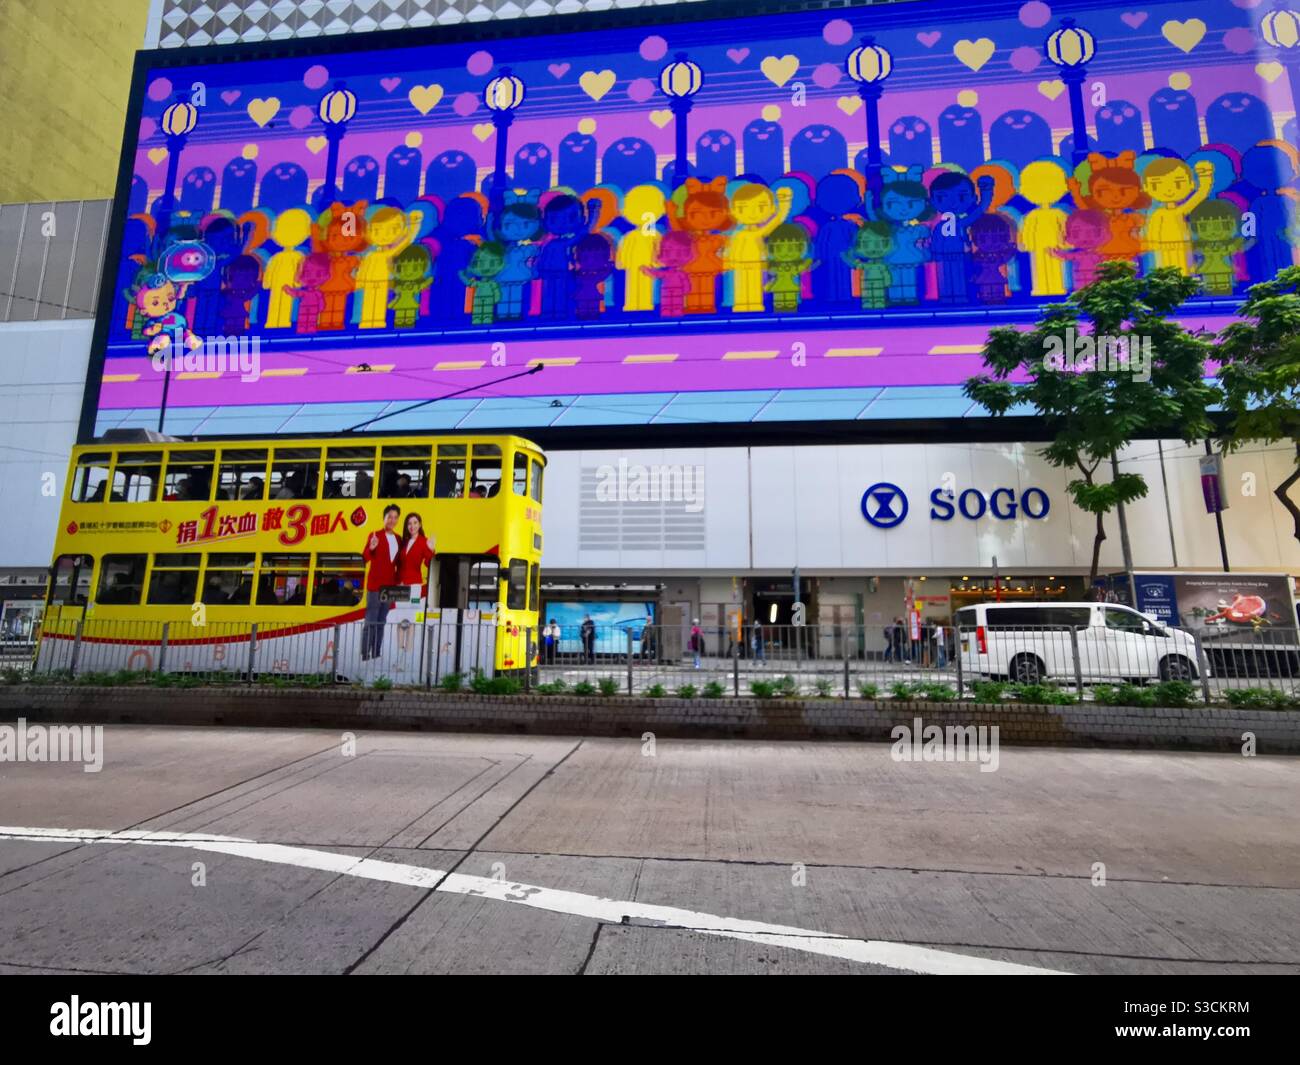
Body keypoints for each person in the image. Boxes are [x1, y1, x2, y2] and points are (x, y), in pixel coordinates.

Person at [361, 504, 402, 661]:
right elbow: (365, 558)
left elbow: (398, 564)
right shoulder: (375, 535)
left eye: (395, 517)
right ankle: (365, 655)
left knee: (382, 622)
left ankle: (376, 654)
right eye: (389, 517)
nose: (392, 520)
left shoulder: (398, 539)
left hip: (389, 588)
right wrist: (371, 547)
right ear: (384, 518)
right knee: (370, 622)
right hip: (375, 586)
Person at [397, 512, 435, 597]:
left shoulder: (424, 542)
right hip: (400, 585)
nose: (412, 526)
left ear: (420, 524)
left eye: (415, 523)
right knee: (400, 609)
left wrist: (431, 550)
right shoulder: (404, 542)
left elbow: (429, 564)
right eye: (409, 523)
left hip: (414, 585)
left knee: (413, 606)